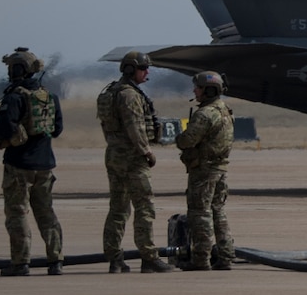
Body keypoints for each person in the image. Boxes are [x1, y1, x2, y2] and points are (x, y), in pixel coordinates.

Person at [0, 48, 64, 276]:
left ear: (18, 69)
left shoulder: (14, 97)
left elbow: (4, 126)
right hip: (45, 165)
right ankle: (56, 261)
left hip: (18, 165)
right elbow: (57, 129)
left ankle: (21, 262)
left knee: (17, 214)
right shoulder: (49, 97)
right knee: (46, 213)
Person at [98, 50, 170, 273]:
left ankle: (114, 258)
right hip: (132, 158)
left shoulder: (110, 92)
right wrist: (147, 152)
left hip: (115, 155)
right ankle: (149, 256)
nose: (146, 72)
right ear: (130, 69)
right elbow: (135, 128)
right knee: (144, 207)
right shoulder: (130, 96)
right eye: (142, 68)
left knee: (118, 209)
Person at [173, 71, 235, 270]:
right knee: (218, 212)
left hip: (204, 171)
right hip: (220, 169)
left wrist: (179, 138)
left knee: (200, 213)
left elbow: (187, 140)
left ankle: (201, 259)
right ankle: (226, 256)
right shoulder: (225, 110)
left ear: (208, 90)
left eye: (198, 88)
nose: (195, 91)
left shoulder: (205, 114)